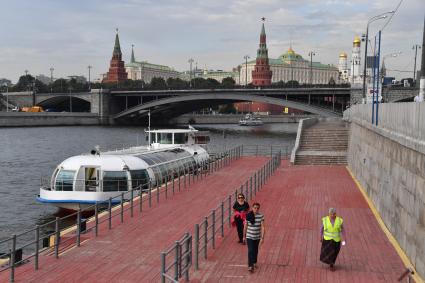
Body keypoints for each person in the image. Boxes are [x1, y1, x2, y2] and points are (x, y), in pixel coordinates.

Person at [243, 202, 265, 272]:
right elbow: (245, 226)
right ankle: (250, 265)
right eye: (255, 208)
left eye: (257, 208)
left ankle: (254, 262)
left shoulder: (261, 216)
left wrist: (262, 238)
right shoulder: (248, 216)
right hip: (249, 236)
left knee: (255, 250)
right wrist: (244, 236)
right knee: (250, 251)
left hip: (257, 236)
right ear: (252, 208)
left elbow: (263, 227)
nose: (256, 209)